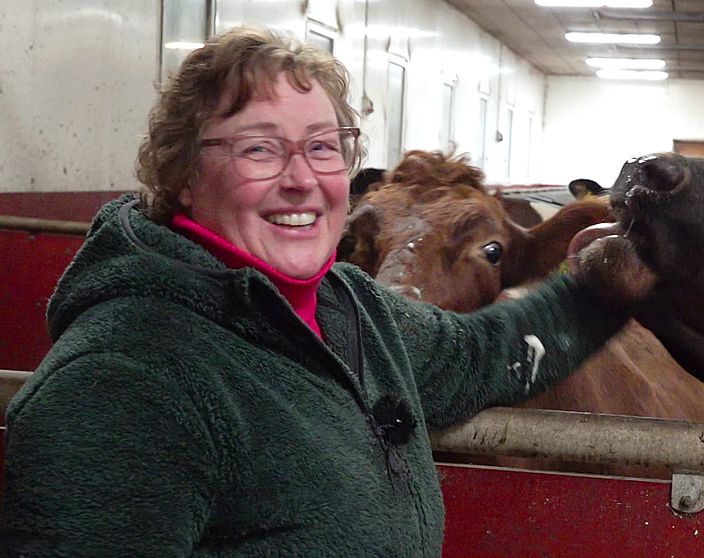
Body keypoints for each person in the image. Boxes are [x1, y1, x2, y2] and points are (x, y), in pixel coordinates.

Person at [0, 27, 648, 556]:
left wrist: (598, 293)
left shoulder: (346, 304)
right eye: (260, 149)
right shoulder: (123, 383)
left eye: (323, 147)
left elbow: (477, 351)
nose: (302, 179)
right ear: (183, 176)